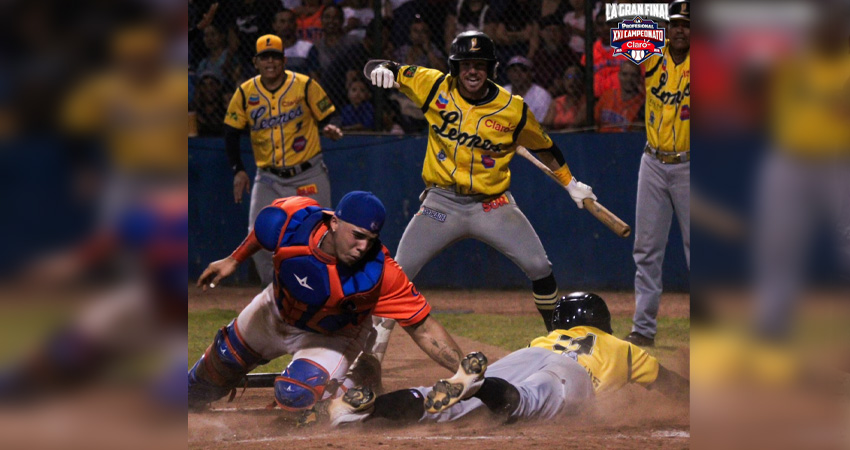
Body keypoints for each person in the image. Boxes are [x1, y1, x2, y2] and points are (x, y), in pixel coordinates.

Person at [363, 31, 597, 368]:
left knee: (539, 268)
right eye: (466, 65)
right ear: (455, 68)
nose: (473, 71)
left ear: (491, 69)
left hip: (493, 203)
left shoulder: (512, 110)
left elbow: (546, 148)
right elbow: (377, 65)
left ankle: (560, 344)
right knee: (397, 275)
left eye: (480, 65)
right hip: (441, 203)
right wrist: (381, 71)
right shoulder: (432, 84)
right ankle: (369, 364)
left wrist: (571, 183)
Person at [188, 192, 467, 423]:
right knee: (221, 360)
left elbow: (423, 326)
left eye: (370, 239)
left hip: (332, 335)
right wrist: (234, 260)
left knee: (296, 394)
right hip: (275, 309)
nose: (362, 247)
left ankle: (361, 377)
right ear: (334, 222)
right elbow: (263, 230)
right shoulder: (295, 221)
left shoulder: (380, 271)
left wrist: (466, 372)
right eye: (357, 235)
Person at [329, 292, 689, 426]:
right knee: (527, 400)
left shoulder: (548, 336)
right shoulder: (623, 348)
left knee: (444, 404)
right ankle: (480, 385)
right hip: (573, 374)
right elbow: (672, 386)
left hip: (529, 354)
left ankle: (365, 412)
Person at [224, 34, 343, 286]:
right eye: (264, 57)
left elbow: (329, 116)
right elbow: (231, 132)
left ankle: (327, 292)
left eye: (275, 57)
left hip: (308, 174)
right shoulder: (245, 93)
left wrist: (331, 128)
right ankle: (277, 297)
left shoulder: (305, 85)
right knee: (258, 237)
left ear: (284, 60)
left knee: (325, 235)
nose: (270, 62)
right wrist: (238, 170)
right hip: (268, 178)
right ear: (255, 61)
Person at [625, 0, 690, 347]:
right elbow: (618, 25)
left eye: (687, 24)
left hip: (692, 165)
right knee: (646, 249)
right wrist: (654, 13)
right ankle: (643, 329)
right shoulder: (653, 54)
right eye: (675, 23)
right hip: (652, 162)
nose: (680, 29)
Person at [595, 61, 645, 133]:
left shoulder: (642, 103)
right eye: (625, 74)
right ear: (619, 75)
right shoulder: (607, 95)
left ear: (639, 78)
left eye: (633, 75)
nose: (629, 79)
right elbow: (595, 121)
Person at [272, 8, 320, 80]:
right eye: (282, 22)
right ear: (274, 26)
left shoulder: (307, 48)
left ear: (295, 24)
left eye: (290, 21)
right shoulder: (268, 50)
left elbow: (314, 78)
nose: (287, 25)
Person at [504, 55, 552, 121]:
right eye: (514, 70)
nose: (518, 74)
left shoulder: (541, 95)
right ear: (508, 74)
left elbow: (541, 125)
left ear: (532, 74)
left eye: (523, 70)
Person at [543, 65, 587, 130]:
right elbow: (546, 125)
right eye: (568, 77)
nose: (572, 81)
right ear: (563, 81)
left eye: (577, 76)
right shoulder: (557, 102)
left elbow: (574, 127)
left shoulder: (586, 103)